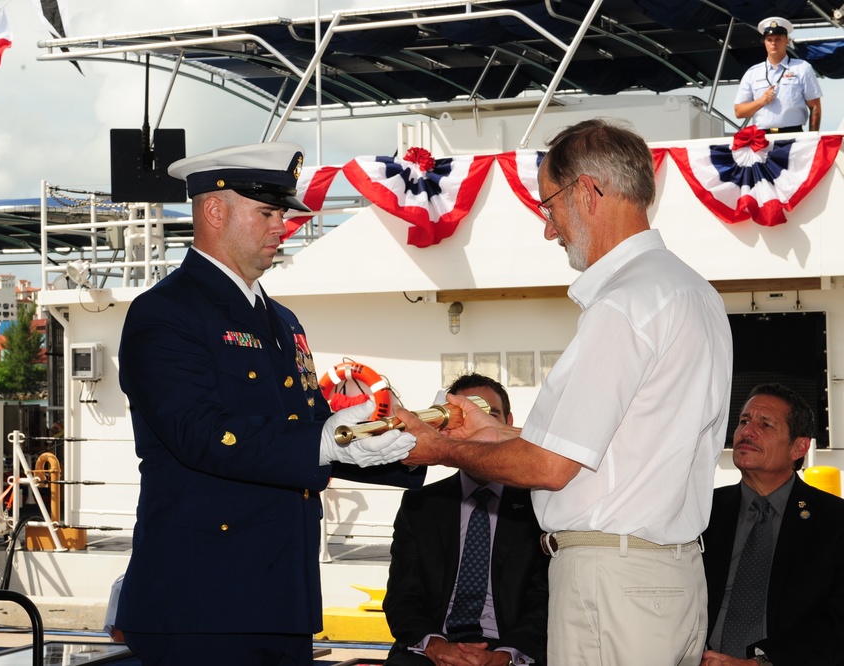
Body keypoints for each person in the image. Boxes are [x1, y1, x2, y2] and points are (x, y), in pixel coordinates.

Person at [397, 118, 734, 666]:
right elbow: (621, 445)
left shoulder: (623, 304)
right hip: (669, 576)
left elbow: (553, 468)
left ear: (587, 191)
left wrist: (437, 449)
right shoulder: (692, 291)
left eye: (548, 206)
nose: (549, 230)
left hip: (612, 584)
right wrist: (494, 433)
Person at [114, 141, 420, 666]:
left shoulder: (282, 321)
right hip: (201, 602)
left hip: (282, 596)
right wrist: (327, 441)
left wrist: (414, 444)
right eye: (268, 212)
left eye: (282, 213)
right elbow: (201, 433)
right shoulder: (164, 314)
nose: (283, 226)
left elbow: (313, 429)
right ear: (214, 210)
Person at [383, 373, 548, 666]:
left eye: (490, 415)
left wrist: (505, 655)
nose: (478, 428)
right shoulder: (419, 505)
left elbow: (544, 599)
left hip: (511, 650)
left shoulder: (540, 506)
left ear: (509, 423)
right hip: (433, 648)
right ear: (447, 428)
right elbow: (402, 598)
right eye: (465, 418)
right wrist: (435, 646)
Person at [700, 383, 844, 666]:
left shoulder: (834, 522)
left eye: (765, 424)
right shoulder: (703, 511)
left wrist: (761, 664)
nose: (746, 432)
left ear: (799, 447)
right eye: (743, 421)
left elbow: (838, 625)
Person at [733, 17, 822, 133]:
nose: (773, 43)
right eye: (769, 39)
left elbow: (815, 107)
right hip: (762, 138)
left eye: (778, 39)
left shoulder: (802, 68)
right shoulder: (753, 73)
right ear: (764, 42)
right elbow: (739, 112)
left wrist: (812, 137)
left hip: (792, 135)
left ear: (787, 41)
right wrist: (761, 101)